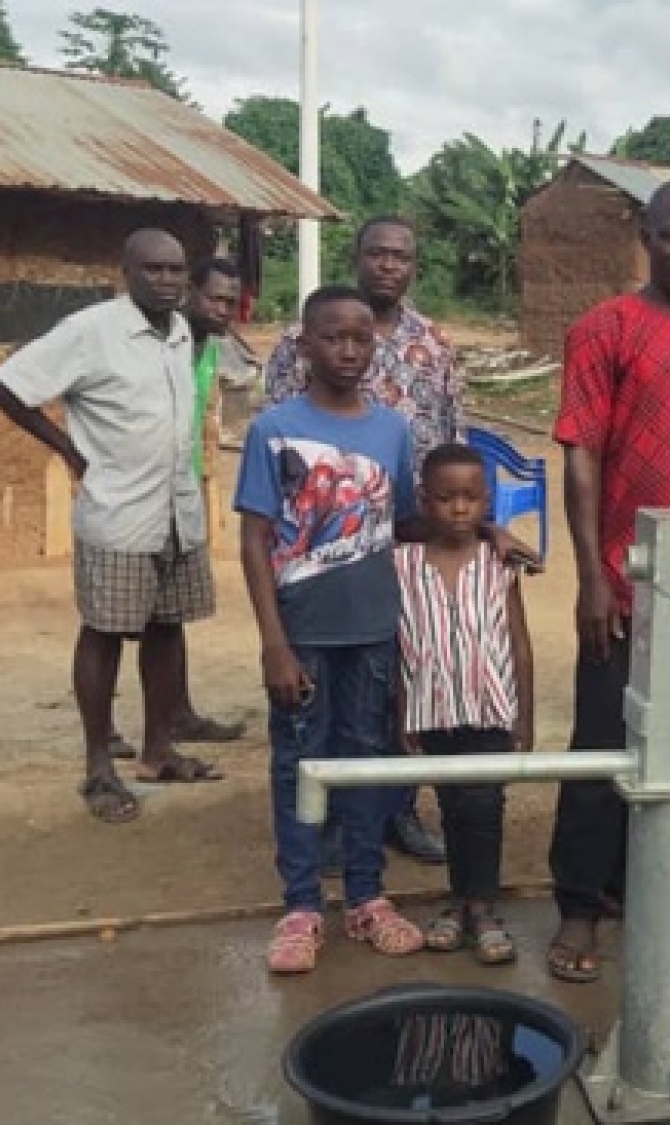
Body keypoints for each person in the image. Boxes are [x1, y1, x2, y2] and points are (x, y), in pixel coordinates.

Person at [545, 179, 670, 984]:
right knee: (600, 745)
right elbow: (580, 450)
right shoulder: (605, 328)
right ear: (646, 234)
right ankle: (578, 903)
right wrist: (593, 574)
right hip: (624, 583)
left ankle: (644, 886)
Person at [0, 229, 222, 825]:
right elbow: (6, 385)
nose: (168, 281)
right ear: (127, 272)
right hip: (118, 512)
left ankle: (157, 750)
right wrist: (66, 448)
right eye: (154, 270)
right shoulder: (93, 331)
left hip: (175, 510)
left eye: (177, 271)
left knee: (168, 630)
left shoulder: (178, 333)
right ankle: (98, 765)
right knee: (105, 633)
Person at [263, 217, 471, 865]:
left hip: (407, 539)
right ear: (356, 258)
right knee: (320, 693)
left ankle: (395, 810)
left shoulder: (433, 346)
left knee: (401, 684)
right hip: (321, 552)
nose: (388, 264)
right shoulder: (297, 343)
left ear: (415, 266)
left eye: (401, 256)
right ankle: (320, 821)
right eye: (377, 253)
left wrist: (459, 530)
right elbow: (277, 453)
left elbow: (452, 442)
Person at [237, 286, 427, 973]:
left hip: (373, 629)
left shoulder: (394, 431)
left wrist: (485, 528)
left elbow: (402, 523)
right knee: (300, 763)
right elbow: (256, 538)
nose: (349, 351)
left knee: (366, 759)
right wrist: (274, 642)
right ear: (305, 345)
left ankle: (368, 897)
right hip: (304, 635)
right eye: (333, 338)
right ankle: (301, 905)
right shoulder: (273, 429)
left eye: (361, 339)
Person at [100, 257, 251, 761]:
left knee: (169, 616)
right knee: (113, 621)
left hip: (177, 494)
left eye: (232, 301)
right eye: (215, 298)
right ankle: (102, 736)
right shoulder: (163, 342)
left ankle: (176, 714)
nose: (225, 309)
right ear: (189, 293)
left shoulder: (205, 346)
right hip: (135, 497)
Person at [397, 443, 536, 966]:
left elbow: (518, 640)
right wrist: (401, 711)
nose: (460, 509)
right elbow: (398, 642)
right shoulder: (403, 564)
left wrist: (524, 713)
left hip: (491, 706)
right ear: (424, 501)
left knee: (485, 806)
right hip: (433, 708)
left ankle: (484, 907)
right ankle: (459, 902)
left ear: (488, 503)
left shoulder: (499, 563)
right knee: (452, 807)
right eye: (447, 498)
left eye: (472, 499)